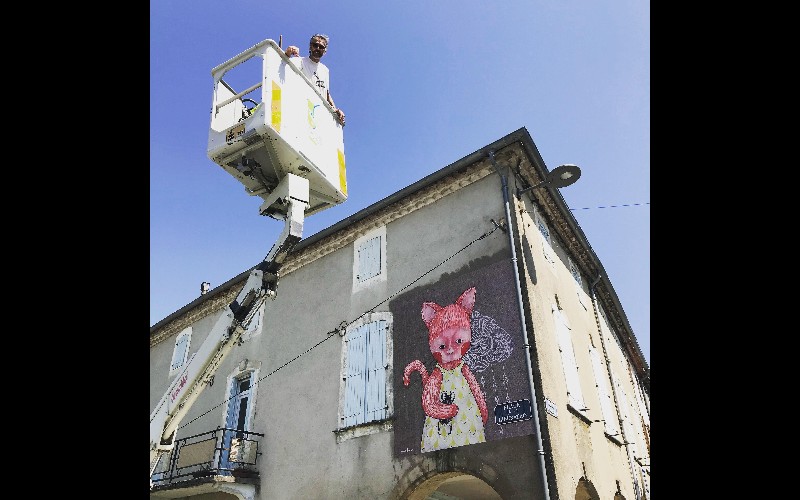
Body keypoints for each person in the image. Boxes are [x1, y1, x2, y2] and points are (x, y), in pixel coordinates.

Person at [284, 34, 346, 126]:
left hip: (319, 114)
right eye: (315, 45)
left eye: (321, 47)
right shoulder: (299, 61)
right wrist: (287, 53)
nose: (317, 48)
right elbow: (282, 64)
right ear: (310, 46)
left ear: (325, 51)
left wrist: (335, 110)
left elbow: (326, 93)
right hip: (302, 109)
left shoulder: (325, 70)